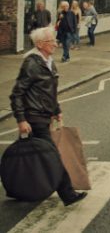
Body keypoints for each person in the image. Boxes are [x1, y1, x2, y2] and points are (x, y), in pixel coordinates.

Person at [9, 26, 88, 206]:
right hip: (34, 118)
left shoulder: (49, 61)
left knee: (27, 157)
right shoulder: (32, 63)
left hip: (43, 115)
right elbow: (17, 94)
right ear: (39, 44)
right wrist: (21, 119)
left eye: (54, 40)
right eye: (51, 41)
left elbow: (49, 92)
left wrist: (56, 109)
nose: (55, 44)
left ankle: (17, 189)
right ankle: (68, 194)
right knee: (52, 156)